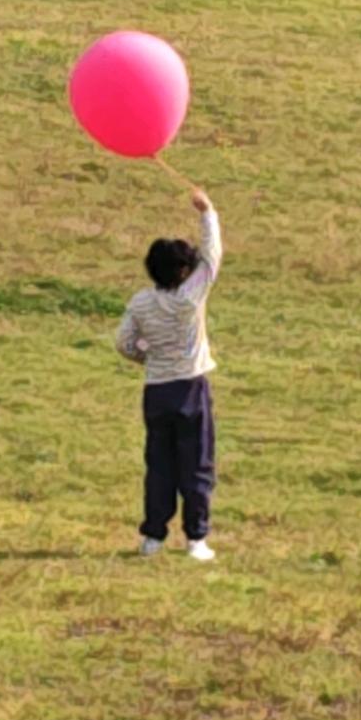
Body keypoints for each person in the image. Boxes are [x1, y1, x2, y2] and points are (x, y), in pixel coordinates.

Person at [115, 188, 222, 561]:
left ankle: (153, 538)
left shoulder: (141, 302)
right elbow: (212, 258)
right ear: (182, 272)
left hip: (156, 391)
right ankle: (196, 538)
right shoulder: (189, 299)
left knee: (159, 465)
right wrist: (207, 212)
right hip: (190, 387)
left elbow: (124, 343)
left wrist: (149, 356)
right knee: (197, 464)